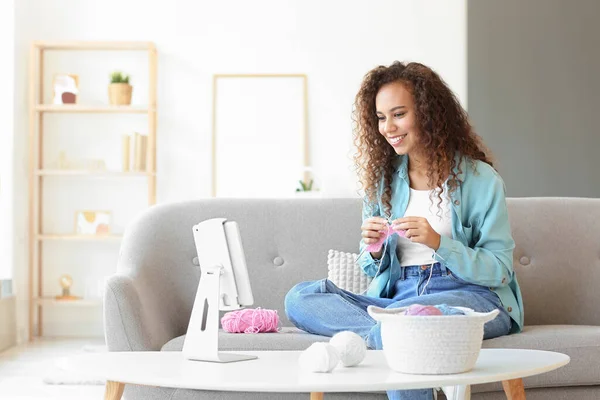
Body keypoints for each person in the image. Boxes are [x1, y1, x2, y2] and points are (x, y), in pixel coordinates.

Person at [284, 61, 524, 400]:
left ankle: (395, 334)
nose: (388, 127)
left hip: (468, 294)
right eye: (381, 118)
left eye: (398, 114)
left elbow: (499, 270)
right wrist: (376, 249)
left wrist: (439, 243)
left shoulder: (480, 180)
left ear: (428, 113)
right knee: (300, 298)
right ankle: (391, 333)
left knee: (417, 330)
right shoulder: (383, 182)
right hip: (399, 299)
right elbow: (371, 267)